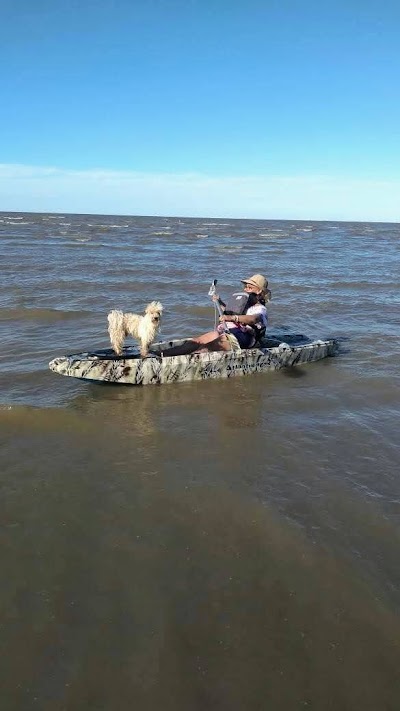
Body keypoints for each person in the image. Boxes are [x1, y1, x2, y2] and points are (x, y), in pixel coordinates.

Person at [160, 274, 271, 356]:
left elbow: (253, 319)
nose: (246, 289)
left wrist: (232, 318)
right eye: (245, 287)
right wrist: (219, 302)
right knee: (197, 341)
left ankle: (187, 361)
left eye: (250, 287)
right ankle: (161, 354)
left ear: (259, 291)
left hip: (244, 339)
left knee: (205, 349)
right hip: (229, 332)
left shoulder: (260, 309)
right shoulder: (243, 304)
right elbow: (228, 312)